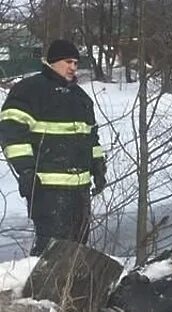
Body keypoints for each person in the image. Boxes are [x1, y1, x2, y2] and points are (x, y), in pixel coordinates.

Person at [0, 39, 106, 256]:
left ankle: (70, 290)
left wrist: (98, 166)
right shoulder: (30, 90)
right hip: (47, 188)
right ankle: (39, 290)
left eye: (76, 63)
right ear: (53, 62)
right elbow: (11, 133)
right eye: (68, 62)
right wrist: (27, 170)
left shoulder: (80, 97)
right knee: (50, 252)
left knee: (78, 250)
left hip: (80, 190)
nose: (73, 67)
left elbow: (91, 138)